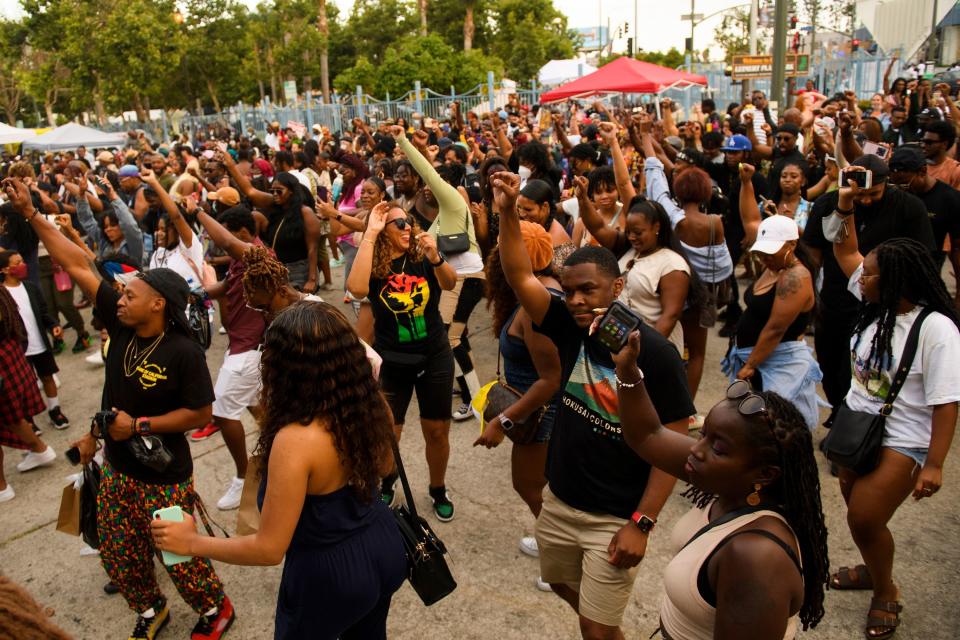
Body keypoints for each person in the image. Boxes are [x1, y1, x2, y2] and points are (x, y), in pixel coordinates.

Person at [1, 178, 236, 640]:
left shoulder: (183, 354)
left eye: (130, 293)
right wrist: (32, 214)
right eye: (121, 293)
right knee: (118, 549)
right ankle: (150, 608)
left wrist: (140, 424)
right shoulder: (124, 327)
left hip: (164, 476)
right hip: (118, 470)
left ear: (158, 304)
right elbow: (75, 261)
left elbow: (201, 415)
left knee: (178, 554)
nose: (119, 297)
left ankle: (214, 607)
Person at [494, 171, 695, 639]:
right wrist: (505, 212)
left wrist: (642, 524)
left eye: (590, 289)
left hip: (615, 514)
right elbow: (518, 274)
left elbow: (674, 444)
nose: (578, 300)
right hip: (561, 502)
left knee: (595, 628)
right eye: (571, 290)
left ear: (618, 288)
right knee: (565, 585)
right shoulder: (566, 323)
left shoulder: (657, 354)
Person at [152, 301, 406, 640]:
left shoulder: (296, 440)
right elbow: (386, 466)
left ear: (284, 369)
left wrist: (193, 542)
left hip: (330, 576)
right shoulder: (371, 404)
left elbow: (269, 549)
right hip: (385, 546)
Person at [613, 347, 829, 638]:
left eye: (717, 447)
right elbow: (647, 436)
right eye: (703, 435)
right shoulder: (727, 480)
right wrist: (628, 371)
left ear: (765, 474)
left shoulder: (756, 557)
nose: (696, 450)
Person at [830, 208, 960, 640]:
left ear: (896, 282)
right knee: (855, 505)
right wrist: (844, 205)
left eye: (869, 275)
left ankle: (885, 589)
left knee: (865, 518)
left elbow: (945, 403)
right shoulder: (877, 304)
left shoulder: (935, 329)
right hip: (858, 429)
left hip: (903, 438)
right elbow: (845, 248)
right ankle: (874, 567)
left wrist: (935, 464)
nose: (860, 278)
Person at [802, 155, 936, 428]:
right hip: (836, 299)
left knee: (862, 372)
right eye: (860, 194)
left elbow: (922, 258)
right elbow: (818, 255)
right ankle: (841, 412)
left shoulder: (909, 207)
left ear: (887, 183)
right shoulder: (829, 204)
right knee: (829, 365)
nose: (865, 200)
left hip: (884, 307)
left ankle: (854, 423)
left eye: (873, 193)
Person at [346, 202, 459, 521]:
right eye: (398, 224)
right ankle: (388, 480)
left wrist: (436, 256)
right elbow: (356, 289)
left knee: (437, 431)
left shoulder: (422, 257)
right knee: (387, 435)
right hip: (392, 363)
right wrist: (369, 233)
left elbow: (450, 283)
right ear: (383, 231)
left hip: (434, 355)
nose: (408, 227)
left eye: (409, 221)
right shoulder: (375, 264)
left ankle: (438, 489)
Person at [474, 221, 562, 590]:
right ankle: (553, 544)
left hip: (540, 413)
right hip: (537, 410)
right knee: (546, 486)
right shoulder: (545, 286)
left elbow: (550, 379)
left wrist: (502, 422)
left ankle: (558, 561)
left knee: (530, 488)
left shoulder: (535, 306)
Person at [390, 125, 488, 424]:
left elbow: (428, 173)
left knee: (450, 338)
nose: (426, 188)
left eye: (430, 185)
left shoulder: (453, 202)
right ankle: (472, 392)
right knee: (457, 338)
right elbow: (412, 240)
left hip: (467, 278)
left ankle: (475, 400)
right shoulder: (439, 219)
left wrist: (403, 141)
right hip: (454, 280)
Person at [726, 167, 822, 429]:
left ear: (791, 245)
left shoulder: (795, 277)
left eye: (771, 251)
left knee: (777, 426)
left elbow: (775, 328)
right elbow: (749, 218)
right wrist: (746, 182)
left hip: (774, 362)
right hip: (755, 358)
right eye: (761, 251)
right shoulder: (773, 265)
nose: (763, 257)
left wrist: (750, 366)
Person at [577, 188, 693, 357]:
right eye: (629, 231)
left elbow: (670, 316)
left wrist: (643, 353)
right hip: (618, 342)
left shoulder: (673, 265)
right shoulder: (629, 249)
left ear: (656, 227)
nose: (631, 237)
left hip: (652, 350)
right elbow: (598, 226)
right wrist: (582, 199)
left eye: (638, 232)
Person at [217, 150, 321, 292]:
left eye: (279, 191)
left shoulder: (305, 212)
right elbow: (250, 191)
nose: (275, 195)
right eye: (272, 191)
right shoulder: (275, 203)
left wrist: (312, 279)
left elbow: (313, 248)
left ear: (291, 191)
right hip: (279, 267)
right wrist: (230, 165)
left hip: (299, 269)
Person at [1, 250, 70, 430]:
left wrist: (53, 325)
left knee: (48, 377)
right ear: (5, 270)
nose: (23, 265)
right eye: (17, 263)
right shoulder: (2, 293)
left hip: (40, 342)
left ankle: (55, 410)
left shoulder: (31, 287)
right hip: (19, 349)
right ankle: (28, 419)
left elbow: (43, 311)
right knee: (24, 386)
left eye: (22, 261)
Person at [888, 145, 960, 299]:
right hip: (891, 271)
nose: (901, 189)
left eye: (905, 183)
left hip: (927, 275)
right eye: (896, 185)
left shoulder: (950, 199)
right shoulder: (894, 194)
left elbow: (957, 248)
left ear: (922, 172)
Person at [76, 173, 145, 266]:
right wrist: (81, 194)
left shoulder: (133, 244)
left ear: (121, 225)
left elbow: (129, 224)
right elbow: (87, 221)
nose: (108, 230)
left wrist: (112, 196)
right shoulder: (104, 242)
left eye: (113, 225)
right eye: (105, 227)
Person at [920, 120, 960, 189]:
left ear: (944, 144)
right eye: (923, 141)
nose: (923, 145)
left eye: (929, 142)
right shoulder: (915, 165)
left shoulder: (955, 171)